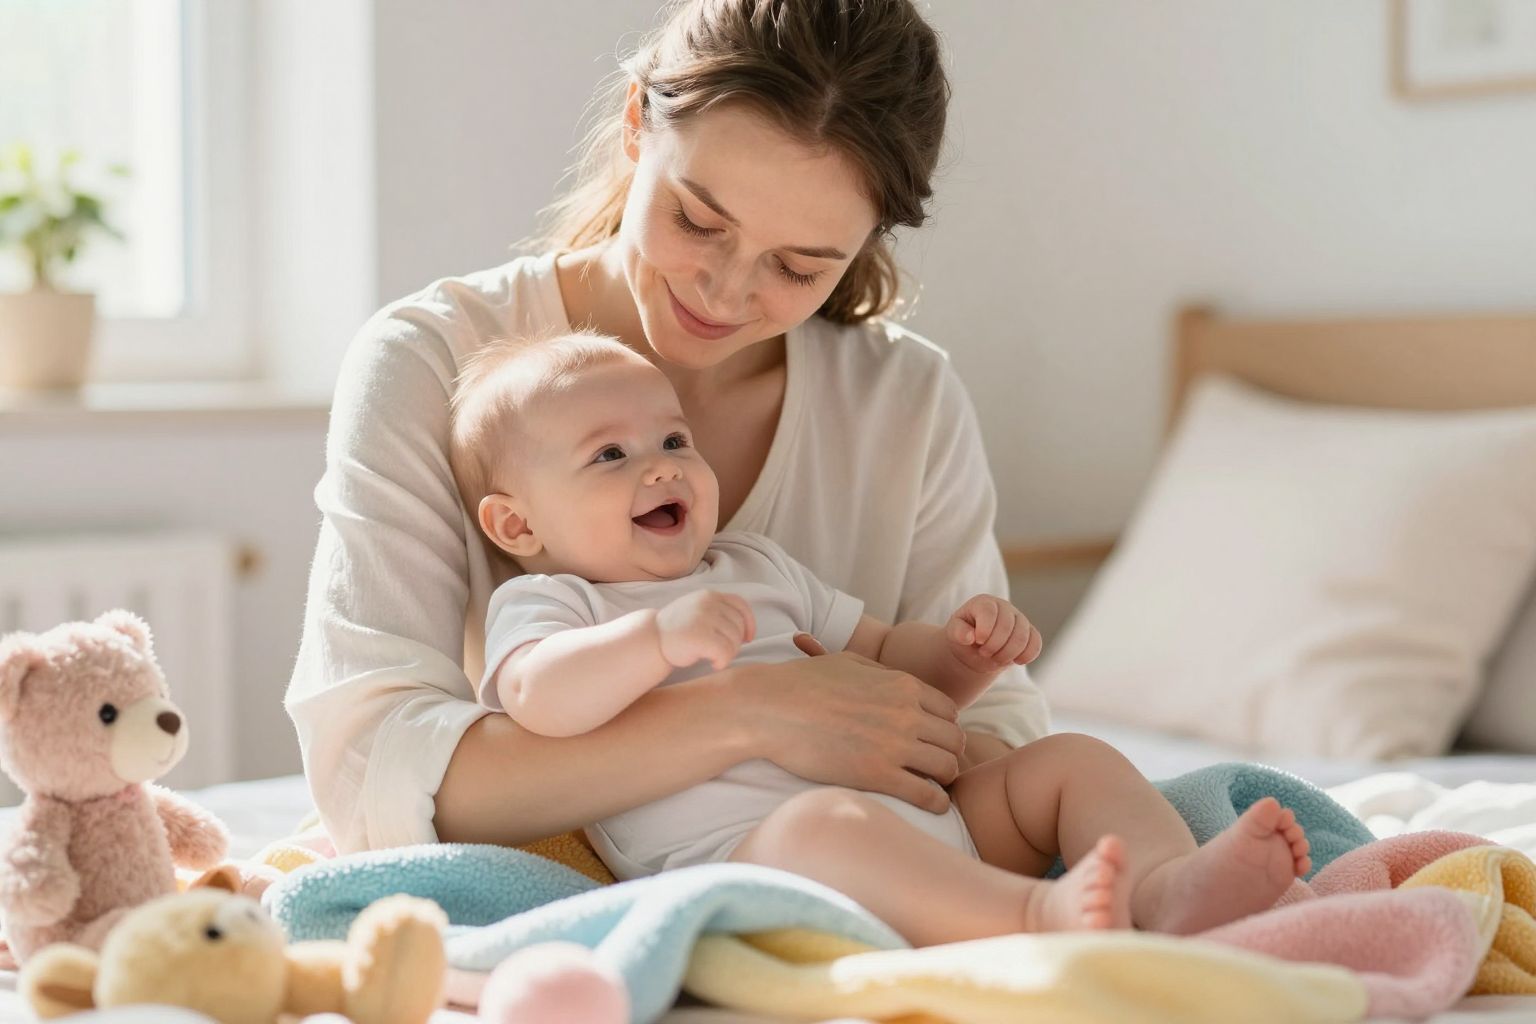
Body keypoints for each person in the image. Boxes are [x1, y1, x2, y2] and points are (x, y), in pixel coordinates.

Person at [286, 0, 1052, 859]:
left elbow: (1000, 724)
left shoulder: (906, 401)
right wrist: (752, 714)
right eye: (697, 221)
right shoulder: (433, 358)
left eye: (798, 267)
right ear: (634, 124)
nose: (723, 295)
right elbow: (372, 770)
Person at [443, 331, 1312, 942]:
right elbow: (540, 700)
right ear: (517, 524)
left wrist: (961, 657)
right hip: (759, 861)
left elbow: (889, 659)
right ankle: (1033, 919)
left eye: (673, 439)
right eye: (610, 456)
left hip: (933, 821)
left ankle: (1166, 890)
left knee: (1071, 762)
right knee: (823, 822)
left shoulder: (756, 564)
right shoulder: (553, 604)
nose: (662, 465)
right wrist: (655, 643)